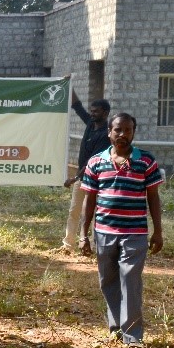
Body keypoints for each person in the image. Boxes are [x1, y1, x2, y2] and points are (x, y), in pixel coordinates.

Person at [79, 112, 165, 348]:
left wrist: (158, 231)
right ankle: (116, 328)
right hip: (104, 232)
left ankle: (133, 336)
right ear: (109, 132)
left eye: (128, 130)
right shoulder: (96, 162)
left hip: (135, 233)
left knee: (130, 281)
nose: (122, 134)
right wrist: (83, 235)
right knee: (108, 281)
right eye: (118, 129)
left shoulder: (145, 161)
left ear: (133, 133)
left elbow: (153, 197)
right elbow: (89, 200)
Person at [62, 94, 112, 252]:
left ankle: (94, 245)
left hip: (96, 180)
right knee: (74, 211)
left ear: (105, 113)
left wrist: (74, 178)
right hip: (81, 178)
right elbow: (78, 107)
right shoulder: (91, 124)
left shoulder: (106, 135)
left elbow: (92, 160)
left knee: (94, 213)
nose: (92, 114)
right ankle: (68, 245)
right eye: (91, 111)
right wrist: (69, 86)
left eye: (96, 111)